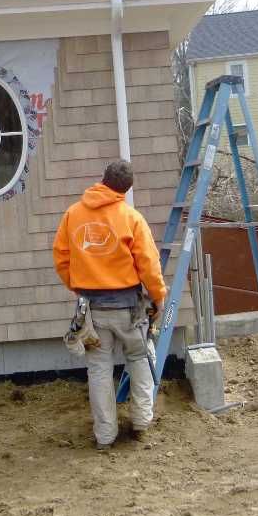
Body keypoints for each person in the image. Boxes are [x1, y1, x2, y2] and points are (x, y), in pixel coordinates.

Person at [53, 160, 167, 451]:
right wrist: (159, 297)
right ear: (126, 191)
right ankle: (141, 423)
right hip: (130, 310)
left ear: (102, 180)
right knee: (141, 362)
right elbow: (149, 266)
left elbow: (62, 260)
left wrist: (80, 285)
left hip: (92, 312)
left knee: (99, 371)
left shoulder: (73, 216)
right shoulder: (131, 218)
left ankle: (105, 436)